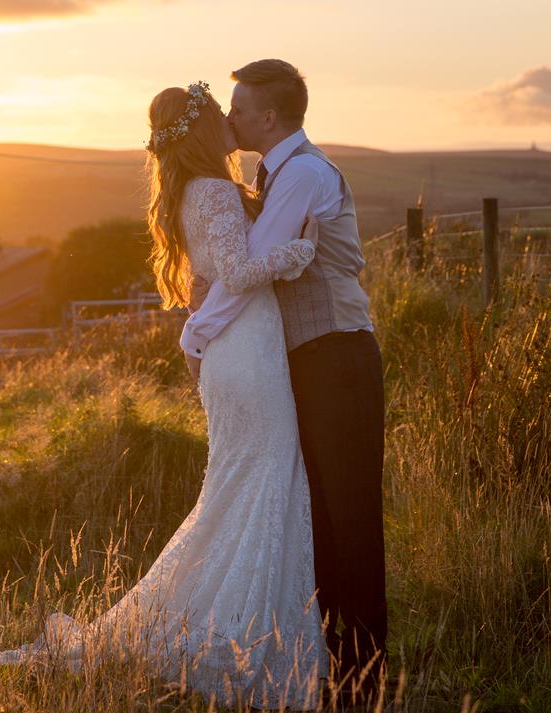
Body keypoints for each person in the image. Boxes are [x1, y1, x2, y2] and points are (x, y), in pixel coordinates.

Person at [0, 80, 325, 710]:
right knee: (262, 475)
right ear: (201, 132)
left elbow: (211, 276)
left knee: (242, 483)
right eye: (218, 115)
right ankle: (234, 632)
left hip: (235, 353)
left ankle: (233, 621)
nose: (231, 121)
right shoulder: (215, 191)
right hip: (247, 352)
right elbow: (236, 274)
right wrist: (301, 249)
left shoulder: (195, 193)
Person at [184, 59, 387, 706]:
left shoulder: (300, 174)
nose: (230, 118)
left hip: (338, 357)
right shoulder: (278, 172)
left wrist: (196, 332)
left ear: (269, 117)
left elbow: (245, 273)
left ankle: (365, 683)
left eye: (239, 108)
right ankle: (335, 670)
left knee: (349, 523)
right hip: (308, 360)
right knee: (319, 522)